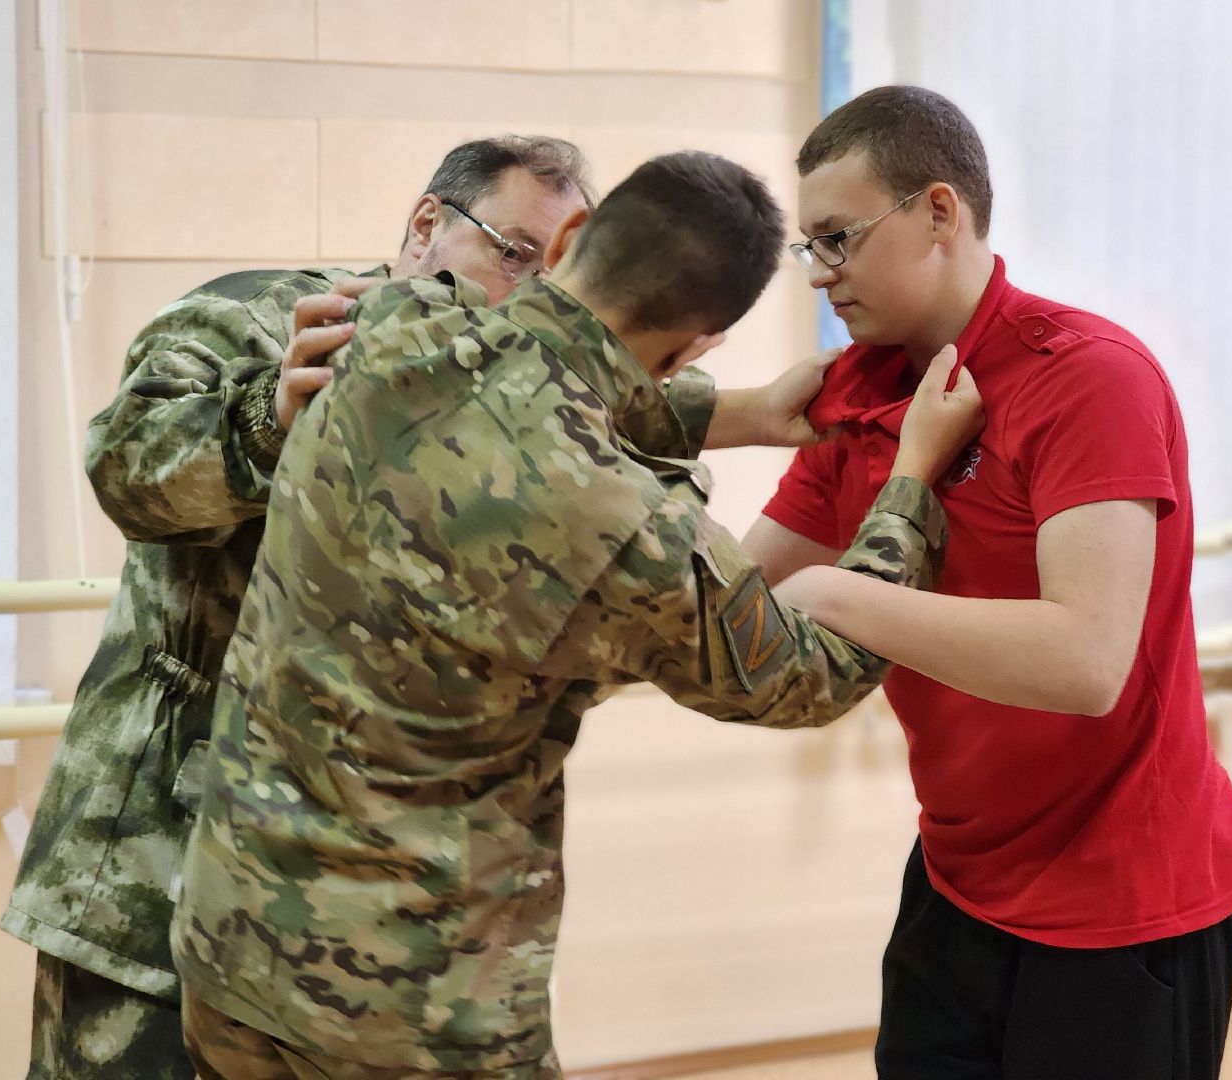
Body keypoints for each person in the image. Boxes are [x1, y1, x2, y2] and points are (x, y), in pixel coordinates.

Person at [2, 135, 825, 1080]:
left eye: (559, 259)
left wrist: (756, 412)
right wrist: (268, 420)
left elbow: (597, 406)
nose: (535, 285)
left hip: (366, 918)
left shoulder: (513, 386)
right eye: (514, 250)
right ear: (427, 222)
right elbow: (125, 476)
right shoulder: (264, 318)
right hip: (157, 854)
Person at [170, 150, 984, 1080]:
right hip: (411, 1007)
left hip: (229, 946)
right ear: (697, 345)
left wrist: (744, 414)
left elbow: (533, 379)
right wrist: (911, 485)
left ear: (564, 241)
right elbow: (804, 676)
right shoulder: (622, 523)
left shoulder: (398, 322)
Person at [752, 86, 1232, 1079]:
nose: (822, 275)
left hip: (1120, 901)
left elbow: (1085, 661)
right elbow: (729, 596)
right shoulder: (857, 390)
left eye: (839, 239)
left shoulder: (1088, 378)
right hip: (957, 876)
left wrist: (844, 596)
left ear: (939, 212)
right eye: (810, 248)